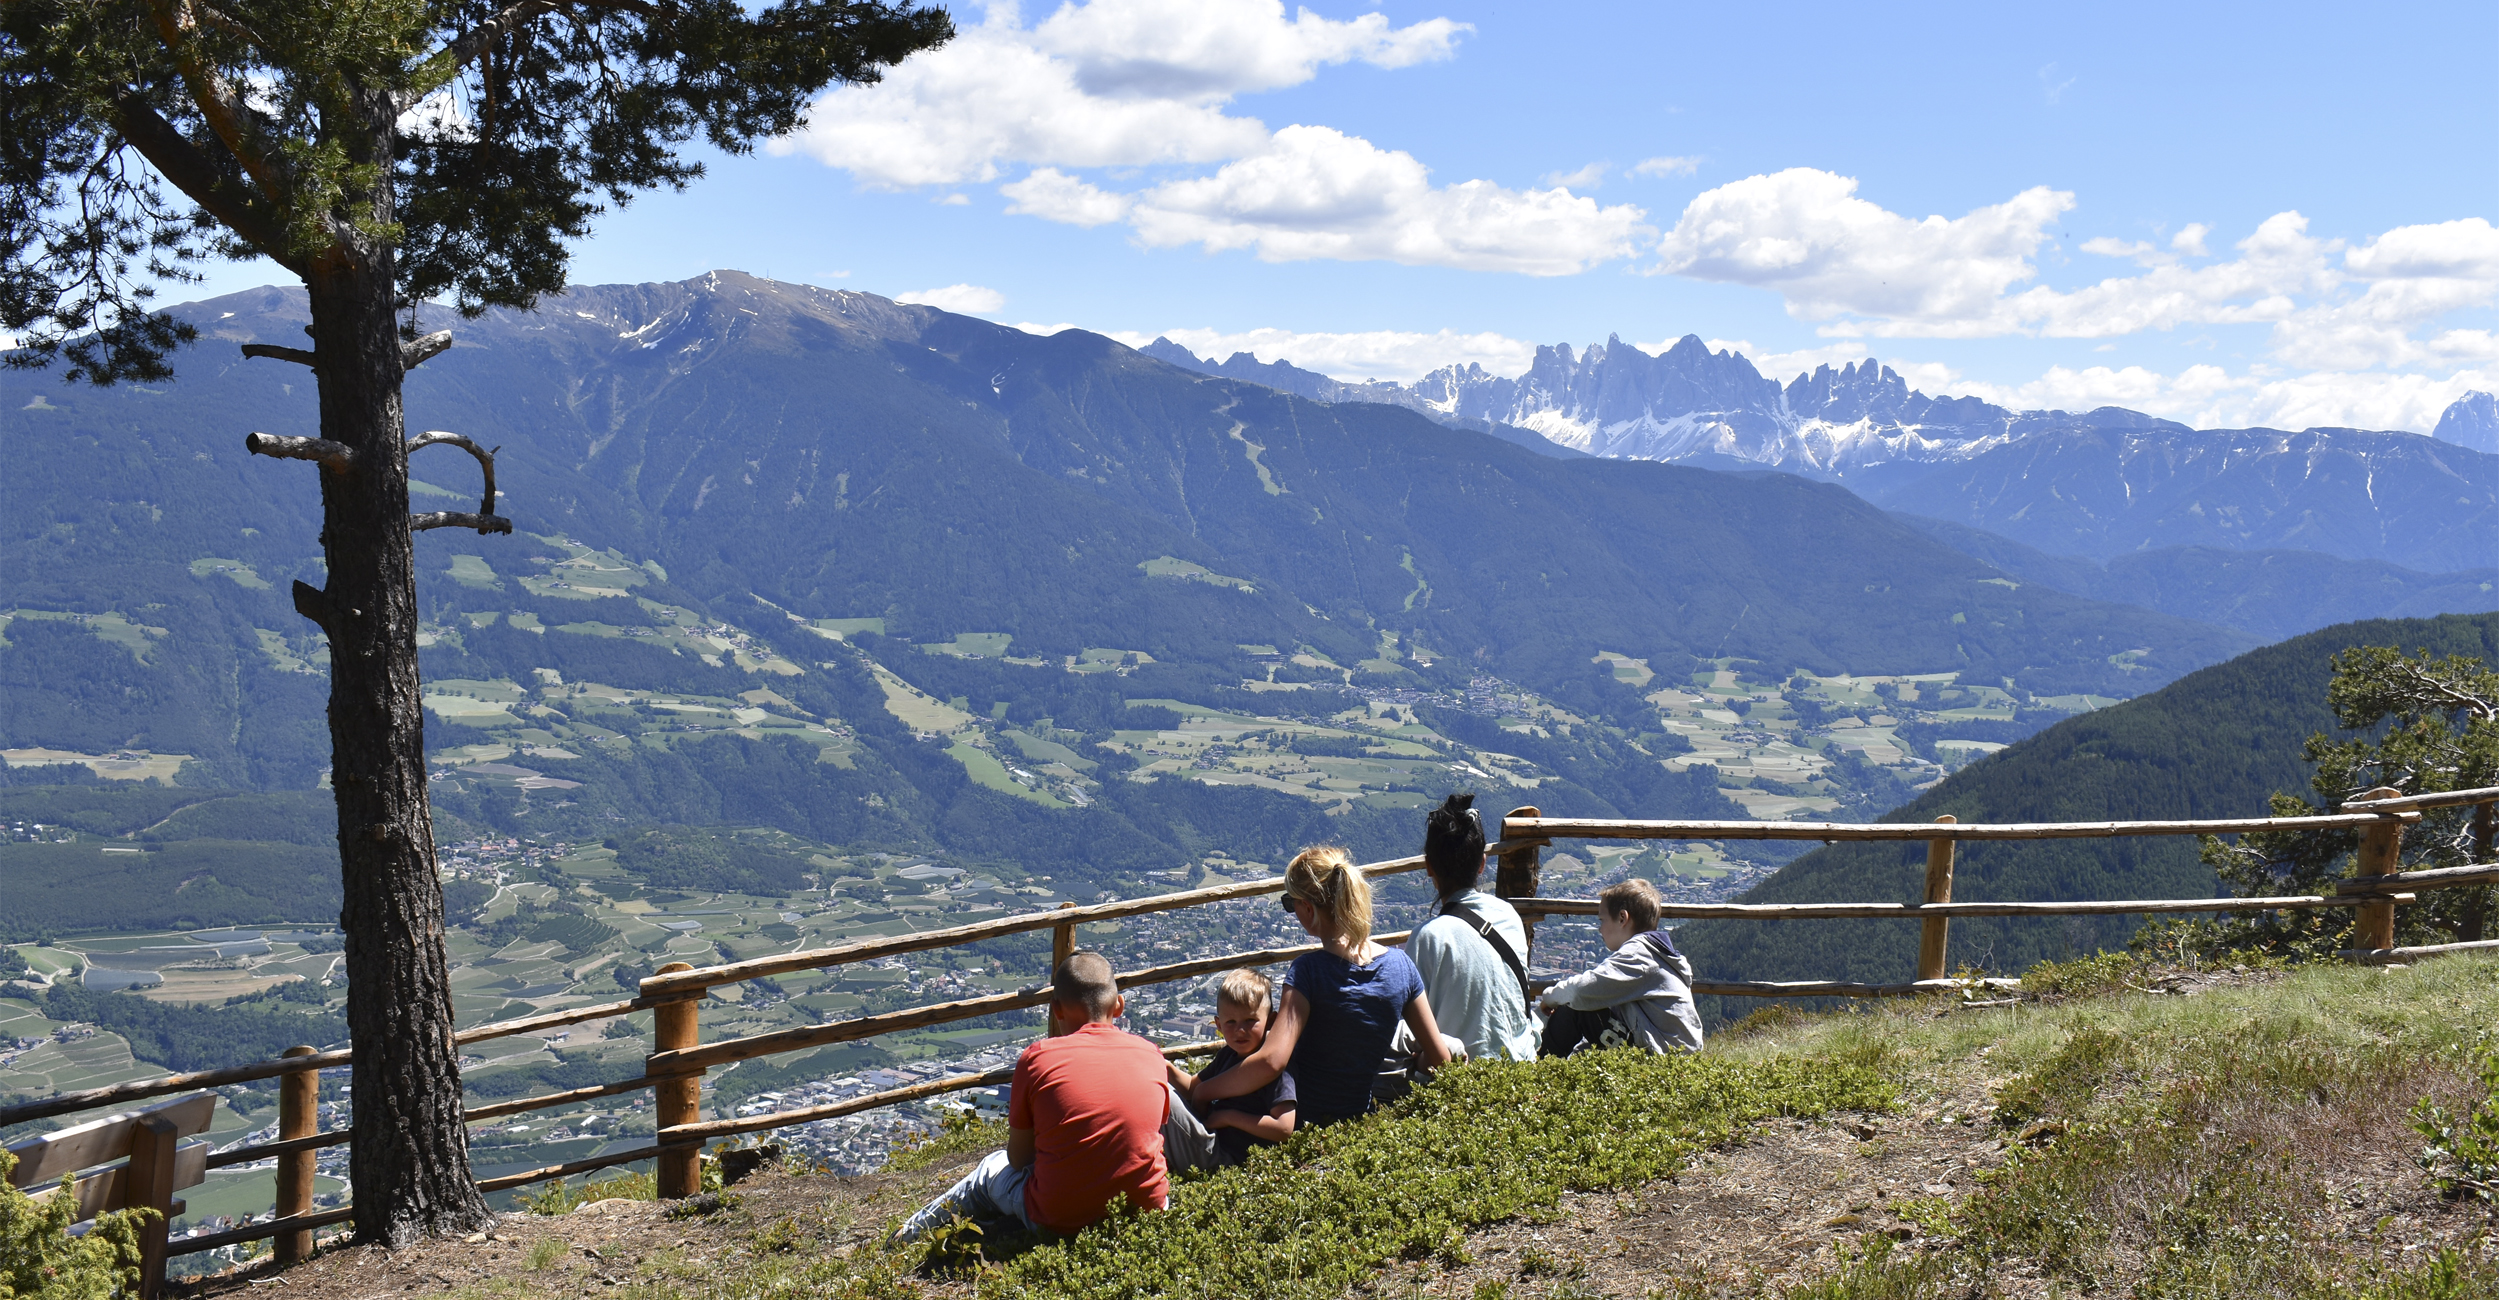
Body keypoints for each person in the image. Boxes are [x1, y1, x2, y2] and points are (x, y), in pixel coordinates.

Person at [892, 951, 1180, 1242]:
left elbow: (1018, 1159)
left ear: (1056, 1009)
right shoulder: (1151, 1054)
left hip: (1056, 1221)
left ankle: (906, 1236)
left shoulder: (1038, 1058)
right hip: (1146, 1210)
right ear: (1119, 1006)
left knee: (989, 1170)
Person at [1184, 846, 1452, 1127]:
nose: (1293, 910)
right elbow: (1440, 1060)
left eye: (1291, 903)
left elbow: (1271, 1062)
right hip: (1358, 1124)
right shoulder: (1402, 967)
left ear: (1308, 908)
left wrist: (1204, 1090)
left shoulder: (1308, 972)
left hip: (1303, 1125)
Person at [1402, 793, 1540, 1062]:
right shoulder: (1508, 915)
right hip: (1523, 1071)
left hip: (1463, 1081)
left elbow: (1408, 1027)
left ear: (1429, 866)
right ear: (1482, 864)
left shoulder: (1427, 939)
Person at [1536, 878, 1705, 1056]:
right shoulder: (1658, 954)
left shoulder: (1638, 955)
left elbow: (1581, 990)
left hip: (1661, 1057)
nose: (1600, 929)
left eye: (1602, 920)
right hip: (1674, 1053)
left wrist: (1550, 997)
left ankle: (1541, 1072)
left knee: (1574, 1006)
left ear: (1623, 918)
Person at [1166, 968, 1297, 1166]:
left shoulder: (1273, 1070)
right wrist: (1164, 1067)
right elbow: (1193, 1088)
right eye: (1231, 1022)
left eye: (1250, 1020)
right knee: (1161, 1089)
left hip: (1230, 1157)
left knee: (1163, 1096)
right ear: (1218, 1025)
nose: (1240, 1030)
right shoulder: (1227, 1055)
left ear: (1270, 1021)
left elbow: (1284, 1129)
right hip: (1213, 1140)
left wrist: (1229, 1117)